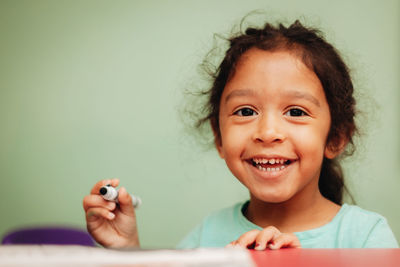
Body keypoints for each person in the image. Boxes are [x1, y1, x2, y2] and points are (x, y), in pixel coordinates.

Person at [82, 20, 399, 250]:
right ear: (219, 138)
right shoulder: (208, 235)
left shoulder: (366, 237)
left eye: (296, 112)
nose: (268, 132)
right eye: (246, 112)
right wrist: (126, 250)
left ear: (335, 138)